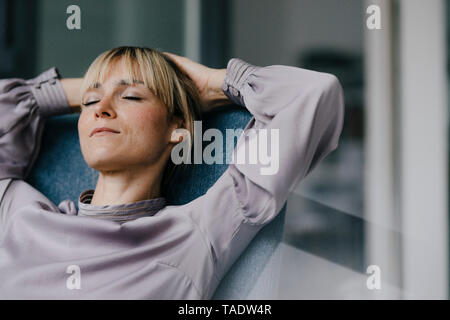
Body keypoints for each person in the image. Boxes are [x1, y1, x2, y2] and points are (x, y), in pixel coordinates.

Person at [0, 46, 344, 299]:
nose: (101, 110)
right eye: (90, 103)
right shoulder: (18, 214)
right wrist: (97, 87)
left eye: (131, 97)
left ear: (178, 128)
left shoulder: (194, 234)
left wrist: (210, 83)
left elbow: (313, 94)